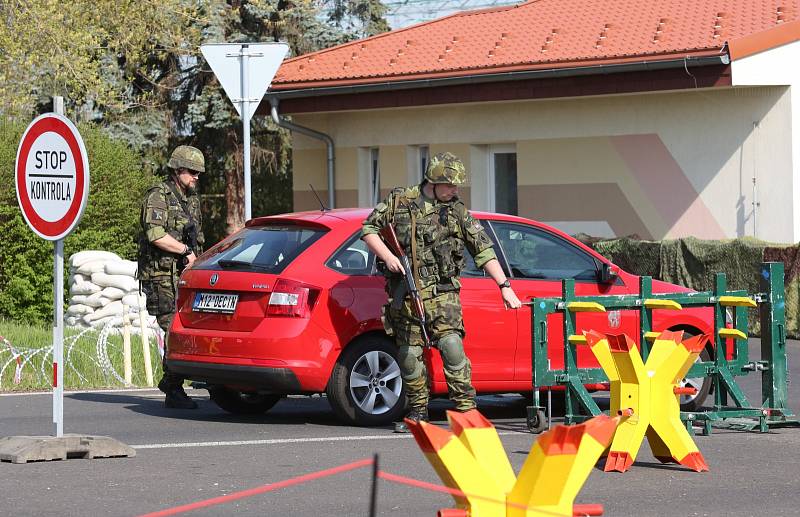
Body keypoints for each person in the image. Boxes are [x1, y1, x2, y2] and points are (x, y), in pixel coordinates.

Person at [362, 152, 522, 433]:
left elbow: (483, 250)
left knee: (451, 347)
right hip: (406, 294)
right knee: (409, 356)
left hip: (443, 294)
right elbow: (369, 229)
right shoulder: (400, 201)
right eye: (450, 185)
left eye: (457, 186)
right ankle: (418, 412)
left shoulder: (457, 211)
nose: (455, 190)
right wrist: (388, 257)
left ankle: (466, 410)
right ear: (432, 181)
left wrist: (504, 286)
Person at [137, 145, 206, 409]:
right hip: (161, 277)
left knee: (185, 329)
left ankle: (172, 382)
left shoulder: (191, 200)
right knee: (173, 330)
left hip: (184, 276)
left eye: (199, 173)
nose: (196, 177)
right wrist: (186, 251)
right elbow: (155, 234)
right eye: (192, 172)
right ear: (178, 170)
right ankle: (173, 387)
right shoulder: (159, 196)